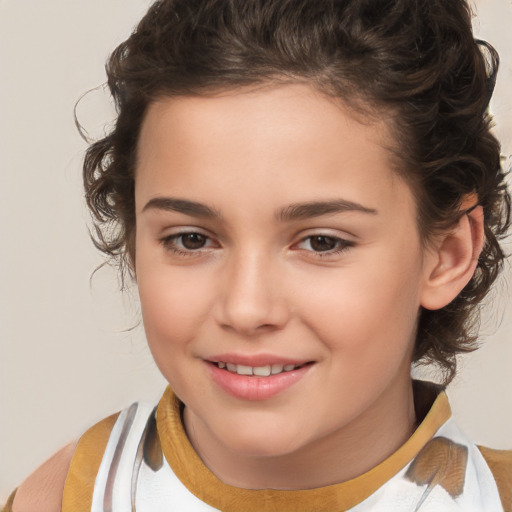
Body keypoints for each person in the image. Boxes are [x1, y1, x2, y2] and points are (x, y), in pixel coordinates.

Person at [4, 0, 511, 510]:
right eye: (191, 239)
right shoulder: (64, 496)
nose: (246, 309)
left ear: (448, 253)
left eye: (321, 242)